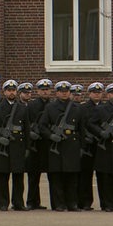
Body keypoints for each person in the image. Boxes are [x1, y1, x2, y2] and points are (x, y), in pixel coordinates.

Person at [0, 80, 31, 211]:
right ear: (4, 92)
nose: (11, 92)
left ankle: (18, 202)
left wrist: (27, 147)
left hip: (18, 145)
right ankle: (3, 202)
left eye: (13, 90)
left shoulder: (22, 107)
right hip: (3, 147)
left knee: (18, 177)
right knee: (3, 176)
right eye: (9, 90)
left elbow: (26, 129)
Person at [39, 81, 83, 212]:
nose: (64, 93)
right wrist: (51, 136)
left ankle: (72, 203)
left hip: (72, 146)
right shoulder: (50, 108)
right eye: (61, 91)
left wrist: (82, 147)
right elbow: (42, 126)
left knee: (72, 178)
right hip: (56, 147)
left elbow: (82, 129)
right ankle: (58, 204)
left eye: (66, 91)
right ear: (57, 93)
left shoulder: (76, 108)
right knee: (56, 178)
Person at [88, 83, 113, 212]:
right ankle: (107, 204)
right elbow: (91, 124)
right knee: (105, 178)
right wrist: (100, 132)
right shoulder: (100, 109)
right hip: (106, 147)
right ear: (107, 95)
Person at [25, 78, 53, 210]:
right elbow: (26, 122)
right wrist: (30, 133)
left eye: (47, 90)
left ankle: (56, 202)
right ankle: (32, 201)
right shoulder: (31, 106)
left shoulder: (53, 105)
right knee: (33, 176)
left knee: (52, 176)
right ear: (38, 91)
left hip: (48, 144)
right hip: (35, 145)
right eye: (43, 90)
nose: (45, 92)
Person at [79, 82, 104, 211]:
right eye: (94, 92)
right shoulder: (83, 108)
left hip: (101, 146)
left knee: (103, 175)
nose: (97, 94)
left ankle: (106, 202)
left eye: (99, 92)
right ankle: (85, 202)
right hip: (88, 146)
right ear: (89, 94)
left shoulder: (105, 107)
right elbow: (81, 125)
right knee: (86, 175)